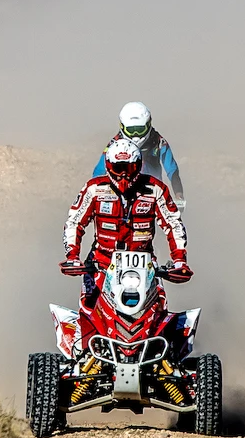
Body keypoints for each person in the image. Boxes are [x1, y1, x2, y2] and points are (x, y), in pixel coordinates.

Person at [62, 139, 191, 316]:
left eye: (128, 169)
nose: (123, 176)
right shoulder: (94, 189)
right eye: (118, 168)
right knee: (88, 309)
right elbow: (74, 222)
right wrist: (73, 256)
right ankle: (81, 342)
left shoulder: (155, 189)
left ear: (138, 166)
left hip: (144, 263)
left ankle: (165, 341)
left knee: (160, 309)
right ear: (108, 166)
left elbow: (174, 224)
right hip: (102, 261)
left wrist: (179, 260)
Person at [91, 102, 186, 212]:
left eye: (140, 129)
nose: (136, 135)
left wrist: (179, 195)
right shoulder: (114, 145)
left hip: (153, 194)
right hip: (120, 195)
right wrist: (95, 197)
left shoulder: (159, 142)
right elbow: (99, 172)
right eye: (131, 130)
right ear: (122, 127)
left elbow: (172, 170)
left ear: (148, 124)